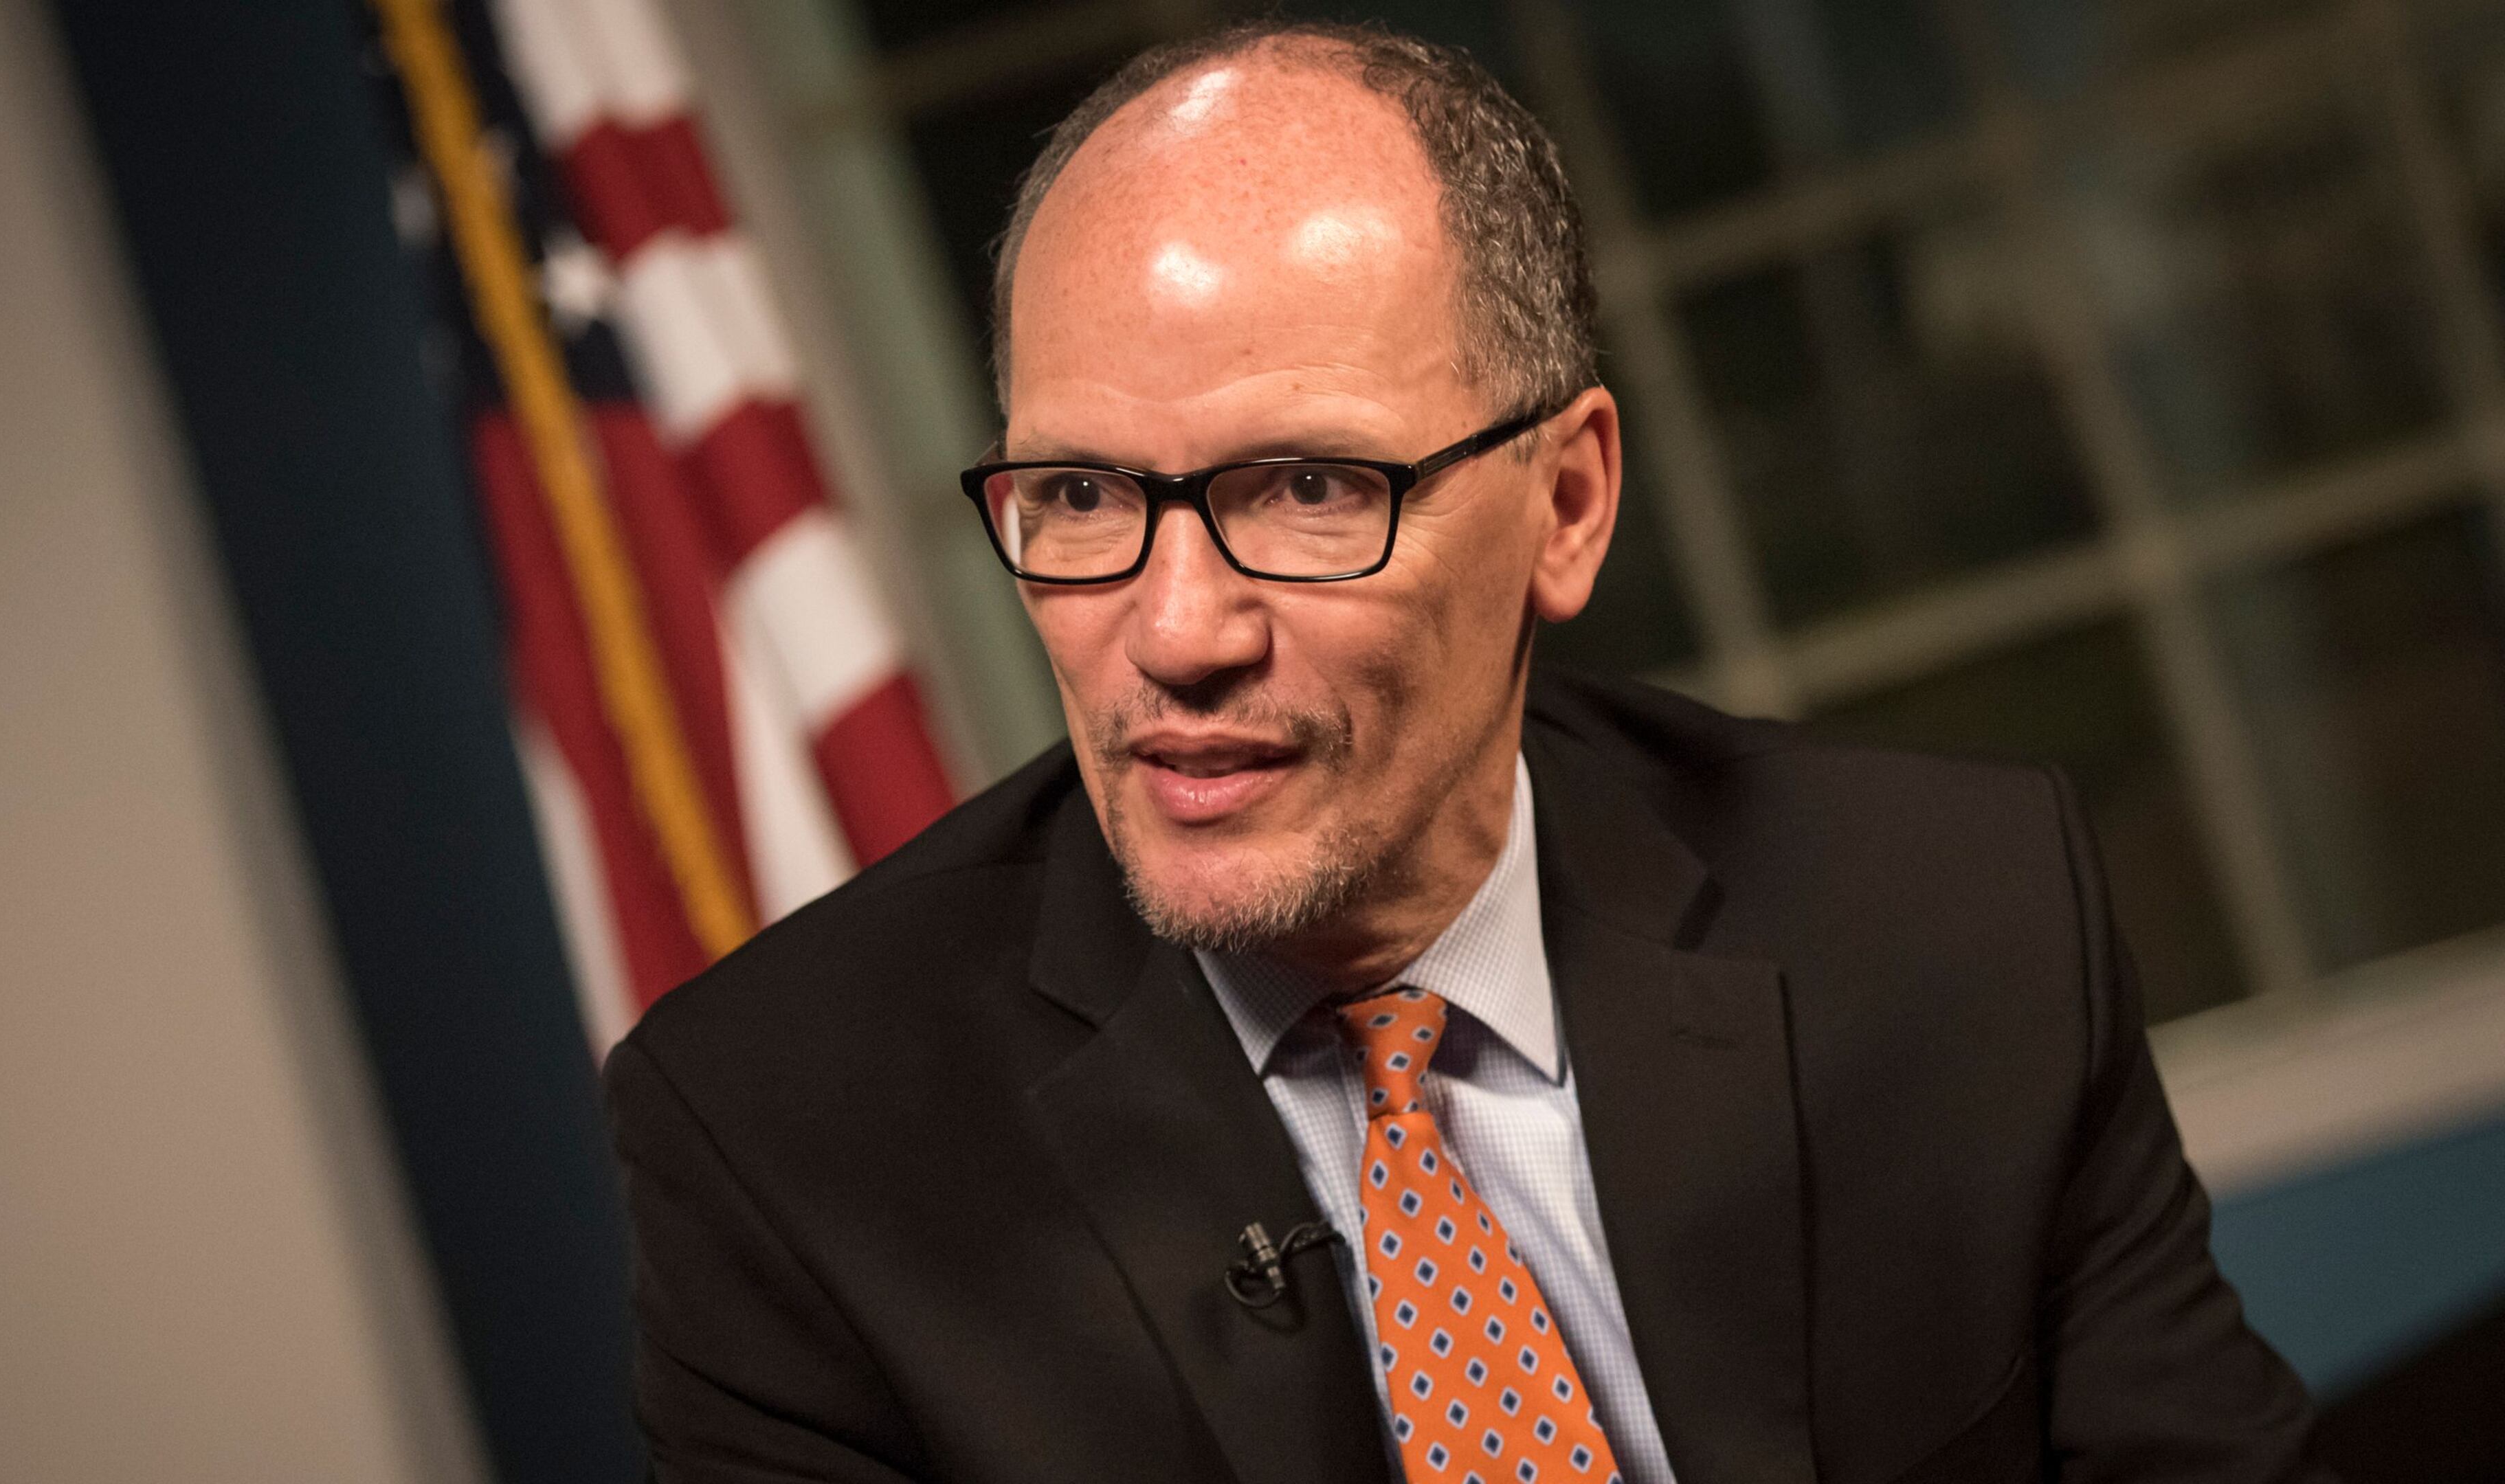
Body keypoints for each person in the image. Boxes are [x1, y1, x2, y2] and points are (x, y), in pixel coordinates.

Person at [603, 21, 2325, 1483]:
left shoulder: (1952, 916)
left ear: (1565, 504)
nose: (1179, 631)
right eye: (1080, 498)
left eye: (1307, 488)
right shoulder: (784, 1143)